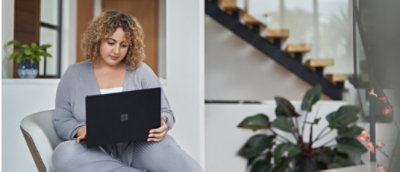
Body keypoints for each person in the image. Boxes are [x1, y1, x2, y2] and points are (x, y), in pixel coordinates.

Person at [52, 10, 203, 172]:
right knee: (64, 153)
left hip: (140, 146)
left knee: (173, 153)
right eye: (111, 43)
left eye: (123, 45)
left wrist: (163, 123)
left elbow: (165, 112)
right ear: (97, 40)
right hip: (94, 151)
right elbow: (62, 119)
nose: (116, 51)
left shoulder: (141, 71)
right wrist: (80, 129)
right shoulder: (73, 74)